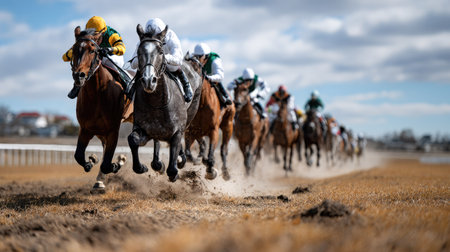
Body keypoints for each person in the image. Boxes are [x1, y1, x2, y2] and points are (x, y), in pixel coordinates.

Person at [63, 16, 128, 99]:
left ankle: (125, 84)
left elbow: (122, 48)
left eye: (95, 36)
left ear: (102, 32)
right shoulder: (86, 37)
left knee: (109, 61)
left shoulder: (112, 34)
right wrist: (76, 51)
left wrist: (110, 49)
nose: (93, 39)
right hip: (95, 56)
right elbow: (65, 57)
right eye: (90, 35)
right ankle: (77, 86)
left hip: (112, 56)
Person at [130, 18, 193, 102]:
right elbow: (133, 64)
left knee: (174, 67)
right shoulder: (144, 39)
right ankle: (132, 90)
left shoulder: (171, 36)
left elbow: (179, 59)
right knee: (141, 68)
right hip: (150, 64)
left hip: (168, 63)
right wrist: (144, 59)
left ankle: (186, 85)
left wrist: (162, 58)